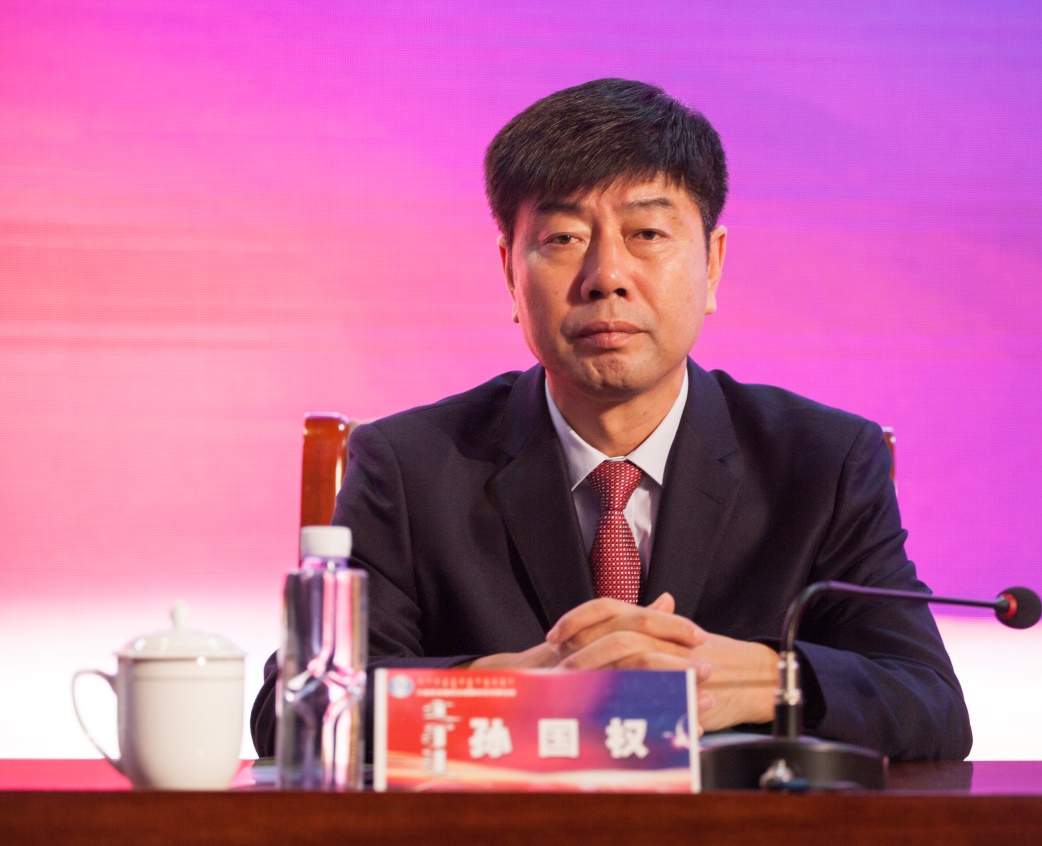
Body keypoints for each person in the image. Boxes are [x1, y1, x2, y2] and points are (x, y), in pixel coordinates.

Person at [251, 78, 972, 761]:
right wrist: (512, 689)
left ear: (713, 265)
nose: (607, 277)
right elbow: (287, 712)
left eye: (647, 234)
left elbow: (932, 707)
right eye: (563, 238)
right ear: (509, 272)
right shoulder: (410, 465)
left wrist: (761, 680)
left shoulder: (821, 462)